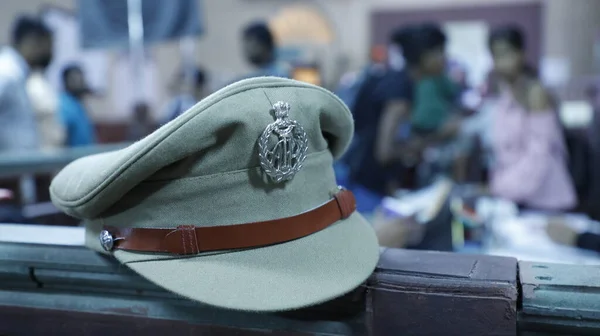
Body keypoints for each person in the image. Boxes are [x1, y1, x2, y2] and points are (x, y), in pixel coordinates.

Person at [348, 24, 456, 212]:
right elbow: (385, 152)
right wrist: (438, 136)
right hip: (367, 188)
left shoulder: (398, 80)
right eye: (440, 52)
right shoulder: (399, 91)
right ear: (425, 56)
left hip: (371, 183)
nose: (444, 59)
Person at [486, 26, 576, 211]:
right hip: (515, 196)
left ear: (521, 54)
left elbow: (538, 157)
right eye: (495, 56)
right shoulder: (505, 94)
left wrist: (498, 187)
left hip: (546, 201)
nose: (501, 62)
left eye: (506, 54)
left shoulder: (536, 94)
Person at [0, 16, 53, 151]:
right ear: (32, 42)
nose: (50, 53)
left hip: (17, 167)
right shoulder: (7, 73)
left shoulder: (19, 74)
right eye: (47, 46)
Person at [58, 64, 96, 147]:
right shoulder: (64, 104)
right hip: (72, 157)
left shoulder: (78, 103)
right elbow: (62, 136)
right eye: (74, 79)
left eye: (81, 77)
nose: (80, 82)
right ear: (66, 81)